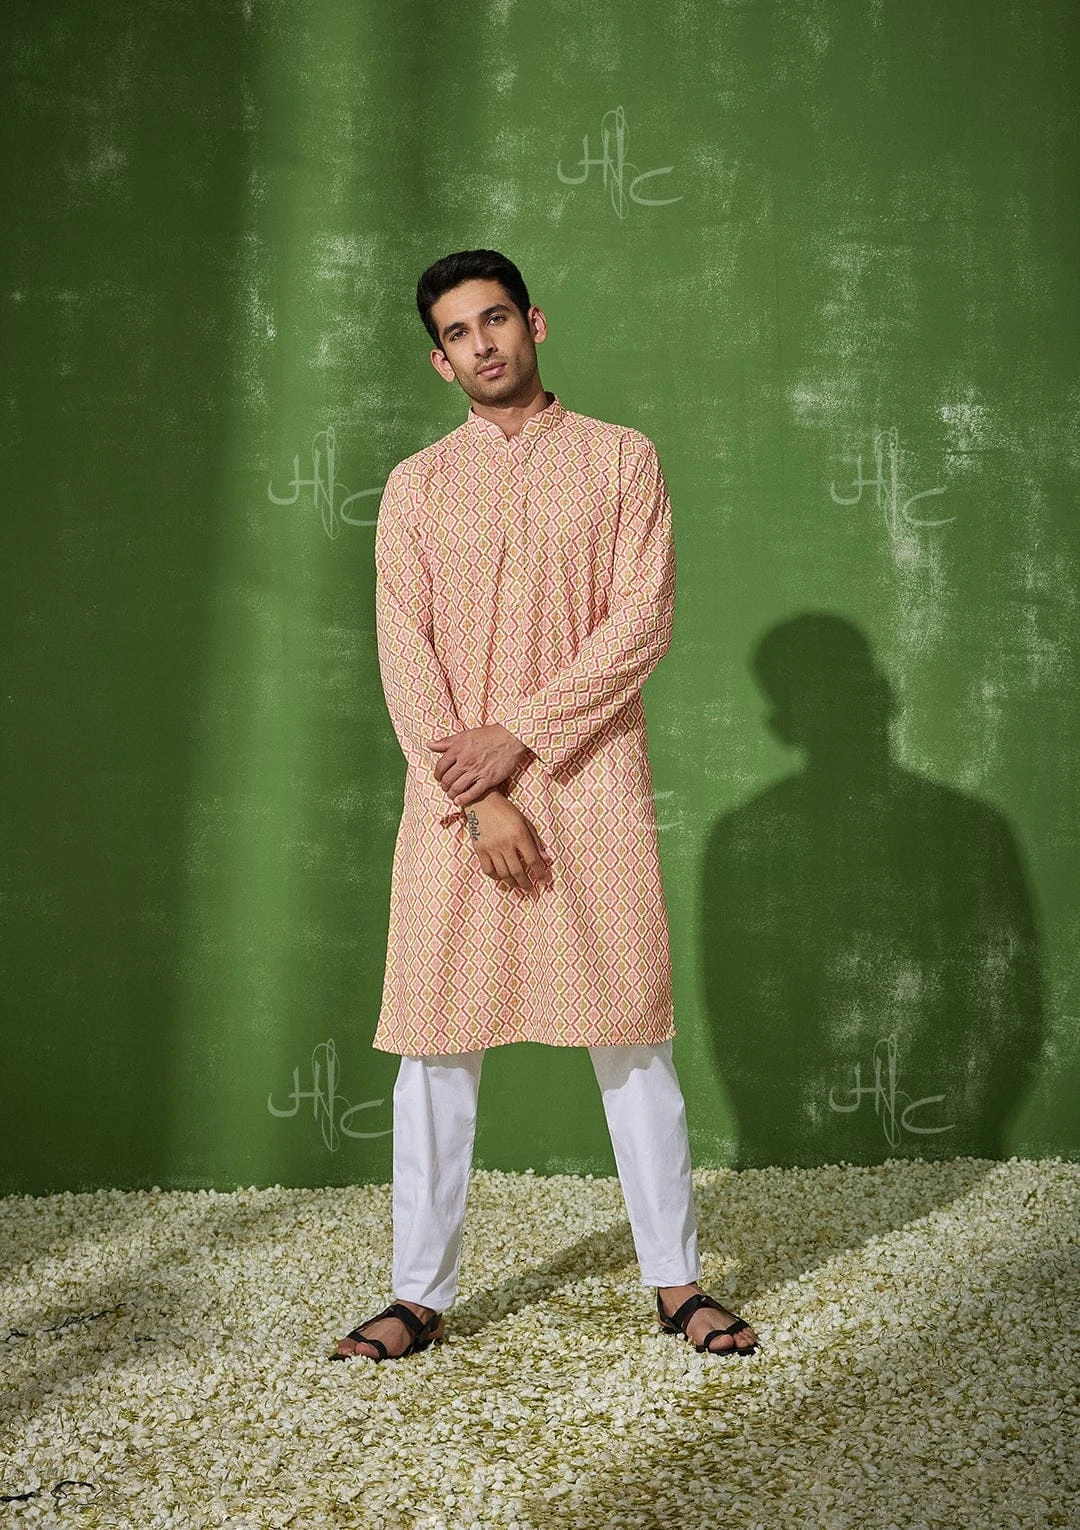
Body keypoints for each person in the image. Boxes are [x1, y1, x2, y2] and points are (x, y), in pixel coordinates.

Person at [332, 250, 758, 1362]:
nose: (482, 344)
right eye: (457, 333)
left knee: (633, 1039)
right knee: (434, 1049)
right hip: (457, 808)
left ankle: (677, 1282)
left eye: (496, 319)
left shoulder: (622, 460)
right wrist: (480, 803)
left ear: (535, 322)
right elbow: (405, 659)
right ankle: (417, 1293)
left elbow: (641, 623)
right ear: (440, 361)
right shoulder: (417, 487)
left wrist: (518, 736)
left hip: (590, 787)